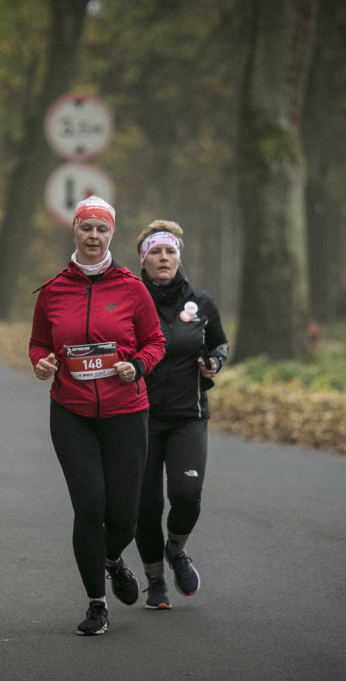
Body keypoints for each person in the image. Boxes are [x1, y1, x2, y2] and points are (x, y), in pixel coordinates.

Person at [29, 196, 166, 636]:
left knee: (124, 515)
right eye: (86, 227)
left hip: (126, 410)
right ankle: (96, 603)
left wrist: (138, 365)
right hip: (72, 412)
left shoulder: (131, 287)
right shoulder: (53, 290)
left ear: (112, 235)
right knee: (90, 505)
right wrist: (43, 363)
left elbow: (156, 341)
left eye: (101, 229)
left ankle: (112, 559)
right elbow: (38, 344)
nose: (93, 236)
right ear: (74, 231)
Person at [133, 220, 229, 609]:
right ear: (144, 259)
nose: (164, 258)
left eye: (170, 251)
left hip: (189, 414)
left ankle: (177, 550)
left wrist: (214, 364)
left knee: (186, 495)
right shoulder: (130, 299)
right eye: (155, 252)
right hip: (138, 415)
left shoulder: (201, 302)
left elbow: (220, 343)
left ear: (178, 257)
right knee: (147, 505)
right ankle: (155, 580)